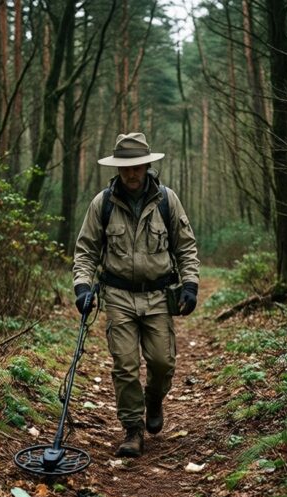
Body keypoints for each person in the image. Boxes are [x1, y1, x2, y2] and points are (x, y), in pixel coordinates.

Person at [72, 132, 200, 457]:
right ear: (117, 169)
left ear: (147, 166)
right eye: (126, 168)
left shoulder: (167, 201)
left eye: (137, 167)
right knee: (125, 365)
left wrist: (190, 284)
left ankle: (154, 399)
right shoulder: (102, 204)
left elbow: (185, 246)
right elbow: (86, 250)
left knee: (162, 361)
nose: (132, 173)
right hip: (117, 295)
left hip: (158, 295)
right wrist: (83, 287)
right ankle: (132, 429)